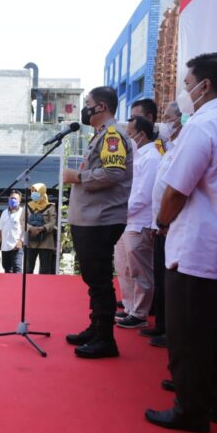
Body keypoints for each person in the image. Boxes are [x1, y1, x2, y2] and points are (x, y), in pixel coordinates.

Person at [146, 53, 217, 433]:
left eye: (188, 82)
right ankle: (214, 401)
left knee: (187, 333)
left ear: (205, 85)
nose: (185, 90)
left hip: (197, 248)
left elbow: (177, 190)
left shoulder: (203, 126)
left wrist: (162, 222)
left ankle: (189, 409)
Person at [62, 86, 133, 359]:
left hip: (101, 218)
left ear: (101, 106)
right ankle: (96, 328)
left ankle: (105, 339)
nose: (85, 108)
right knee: (93, 278)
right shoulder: (101, 135)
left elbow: (113, 173)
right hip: (92, 217)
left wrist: (77, 178)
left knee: (100, 279)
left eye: (88, 103)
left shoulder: (112, 135)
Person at [140, 101, 183, 346]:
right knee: (160, 279)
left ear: (180, 119)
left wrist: (164, 220)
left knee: (171, 282)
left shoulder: (183, 146)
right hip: (160, 224)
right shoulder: (168, 147)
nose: (164, 123)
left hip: (170, 224)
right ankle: (162, 326)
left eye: (168, 118)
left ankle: (170, 331)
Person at [116, 116, 161, 329]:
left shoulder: (152, 157)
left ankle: (140, 312)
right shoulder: (138, 156)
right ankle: (130, 307)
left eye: (130, 133)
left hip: (139, 222)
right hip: (127, 220)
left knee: (140, 270)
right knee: (124, 267)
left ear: (141, 135)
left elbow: (144, 195)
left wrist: (121, 212)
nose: (128, 137)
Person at [25, 183, 57, 274]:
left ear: (42, 192)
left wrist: (42, 228)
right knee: (28, 268)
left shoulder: (51, 207)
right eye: (33, 191)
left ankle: (44, 287)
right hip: (31, 241)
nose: (34, 193)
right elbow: (22, 221)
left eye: (36, 191)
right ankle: (29, 286)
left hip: (46, 241)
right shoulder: (28, 206)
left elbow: (53, 222)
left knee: (45, 268)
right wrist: (31, 228)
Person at [0, 190, 24, 273]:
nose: (13, 200)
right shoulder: (4, 212)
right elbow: (0, 229)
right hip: (5, 247)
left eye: (15, 198)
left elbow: (26, 229)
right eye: (11, 198)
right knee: (7, 270)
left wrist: (20, 241)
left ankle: (18, 286)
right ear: (8, 199)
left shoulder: (23, 212)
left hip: (16, 247)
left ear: (19, 200)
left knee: (17, 270)